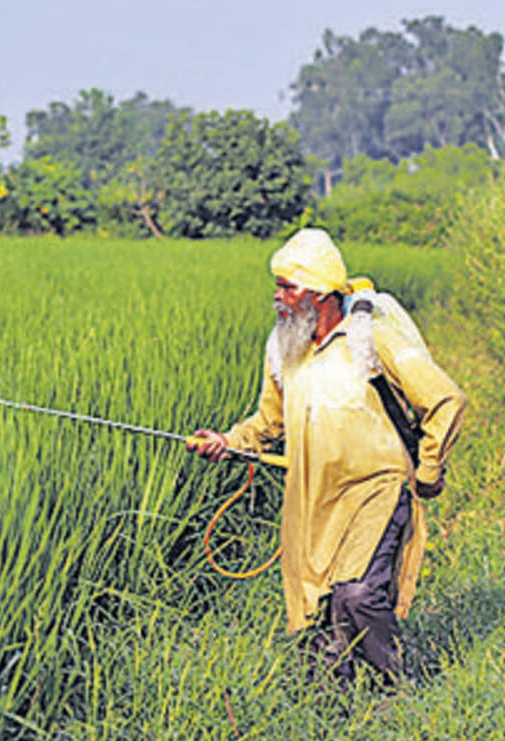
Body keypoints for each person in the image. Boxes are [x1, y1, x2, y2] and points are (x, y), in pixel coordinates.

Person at [186, 228, 466, 690]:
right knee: (318, 606)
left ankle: (398, 691)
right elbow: (267, 422)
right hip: (312, 499)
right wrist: (227, 441)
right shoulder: (283, 349)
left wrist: (430, 469)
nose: (278, 297)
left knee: (357, 594)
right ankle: (331, 706)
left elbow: (446, 400)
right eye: (277, 286)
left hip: (375, 490)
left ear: (319, 294)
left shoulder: (370, 339)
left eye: (288, 287)